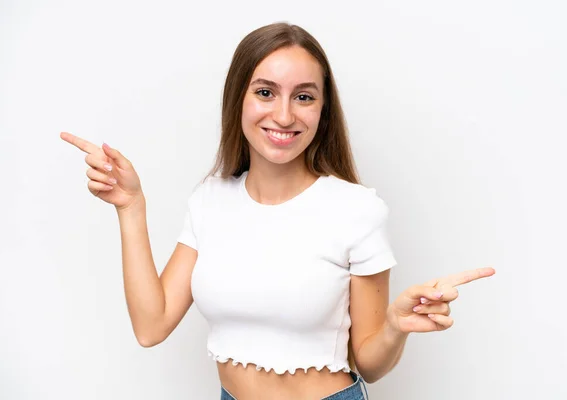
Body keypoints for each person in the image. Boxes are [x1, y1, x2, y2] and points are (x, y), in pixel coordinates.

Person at [60, 22, 495, 400]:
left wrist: (395, 327)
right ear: (239, 100)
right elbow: (150, 327)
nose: (283, 115)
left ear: (322, 112)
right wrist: (132, 208)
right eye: (266, 92)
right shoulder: (210, 200)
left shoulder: (356, 210)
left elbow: (371, 364)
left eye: (303, 97)